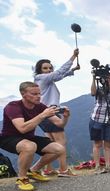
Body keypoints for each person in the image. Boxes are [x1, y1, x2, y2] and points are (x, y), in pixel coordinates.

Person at [0, 82, 69, 191]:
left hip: (28, 137)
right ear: (23, 94)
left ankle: (33, 171)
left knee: (59, 149)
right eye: (34, 94)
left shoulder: (40, 106)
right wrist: (42, 115)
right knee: (29, 146)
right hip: (8, 138)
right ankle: (22, 178)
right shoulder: (13, 106)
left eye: (39, 94)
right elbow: (22, 128)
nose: (38, 96)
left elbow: (59, 124)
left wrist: (65, 117)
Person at [34, 49, 80, 177]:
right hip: (51, 112)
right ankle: (64, 170)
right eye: (45, 68)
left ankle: (48, 169)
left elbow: (59, 76)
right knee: (61, 142)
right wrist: (73, 57)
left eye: (50, 68)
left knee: (50, 143)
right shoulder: (43, 78)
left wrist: (72, 71)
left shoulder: (40, 80)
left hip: (42, 113)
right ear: (39, 70)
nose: (48, 70)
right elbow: (58, 73)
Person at [89, 72, 110, 174]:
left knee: (108, 145)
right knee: (97, 144)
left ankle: (108, 166)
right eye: (106, 78)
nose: (108, 80)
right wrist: (94, 78)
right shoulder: (99, 89)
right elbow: (93, 92)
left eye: (109, 78)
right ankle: (97, 166)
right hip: (97, 119)